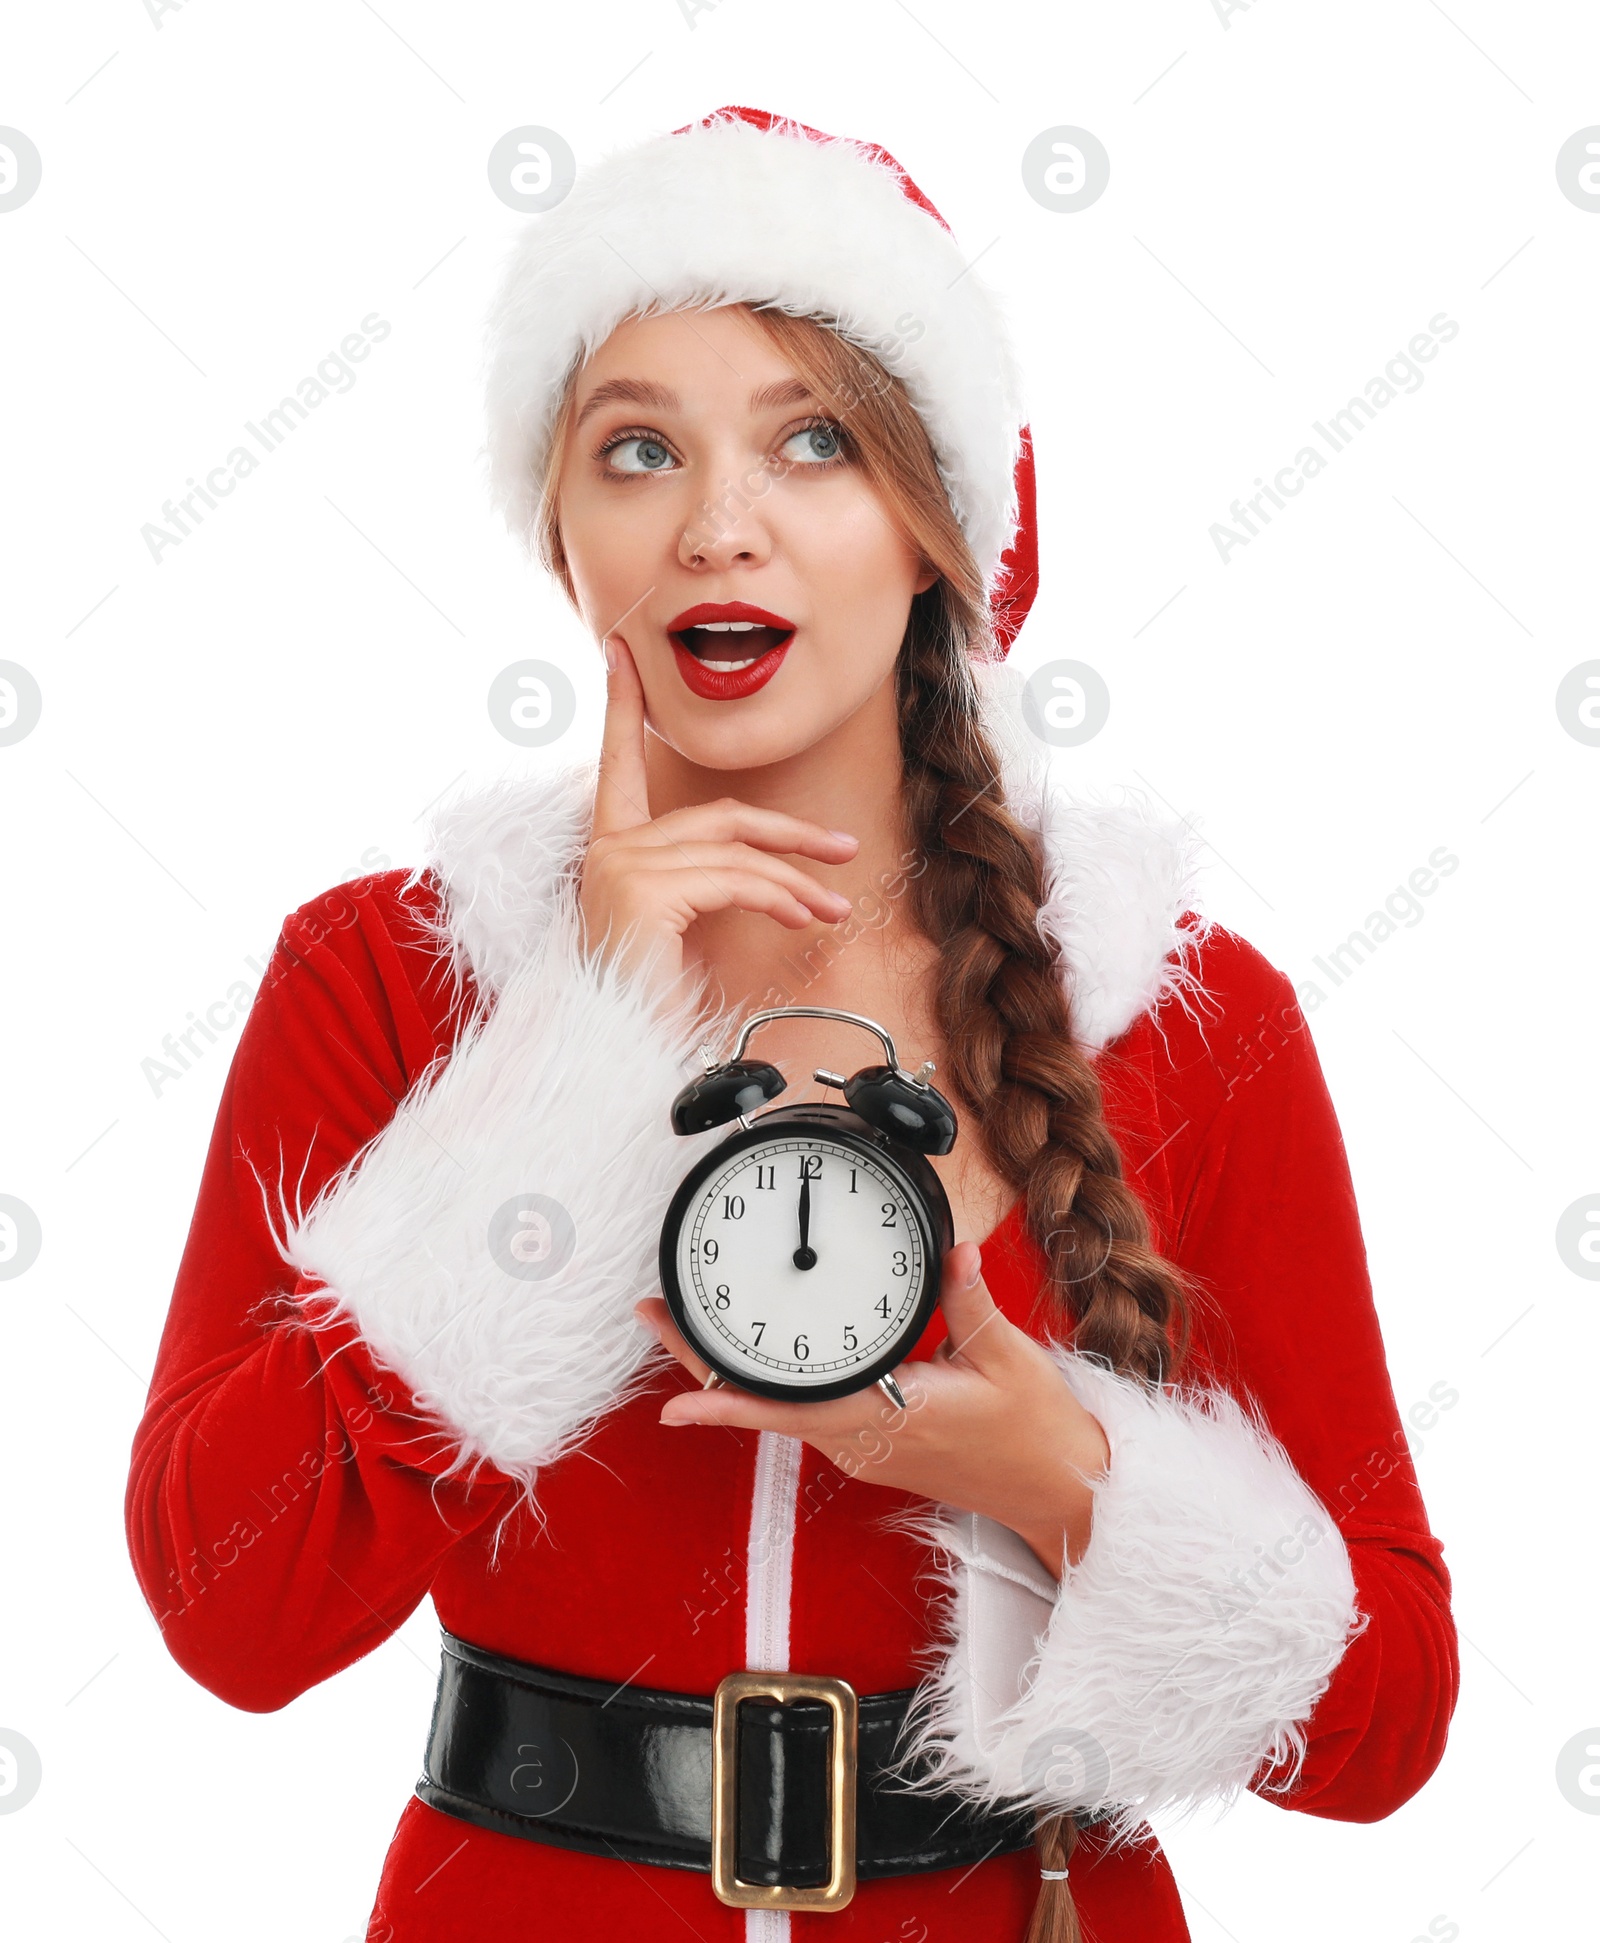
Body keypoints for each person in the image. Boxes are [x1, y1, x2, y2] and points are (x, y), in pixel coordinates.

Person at [124, 106, 1458, 1942]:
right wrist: (567, 1070)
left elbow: (1391, 1719)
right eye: (637, 451)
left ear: (938, 529)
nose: (718, 527)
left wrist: (1053, 1477)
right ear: (566, 538)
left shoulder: (1185, 1019)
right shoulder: (384, 980)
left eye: (814, 443)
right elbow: (230, 1610)